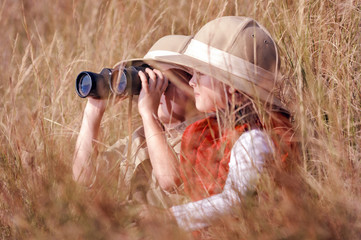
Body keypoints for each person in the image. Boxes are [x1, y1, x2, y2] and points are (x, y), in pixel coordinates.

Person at [140, 16, 298, 231]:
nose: (192, 81)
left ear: (232, 86)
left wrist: (168, 217)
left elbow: (235, 201)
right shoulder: (214, 133)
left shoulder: (255, 137)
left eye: (201, 73)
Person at [72, 35, 201, 205]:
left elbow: (169, 180)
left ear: (192, 84)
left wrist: (149, 115)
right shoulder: (140, 138)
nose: (158, 89)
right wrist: (93, 111)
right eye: (151, 79)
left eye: (166, 81)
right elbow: (83, 177)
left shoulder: (205, 133)